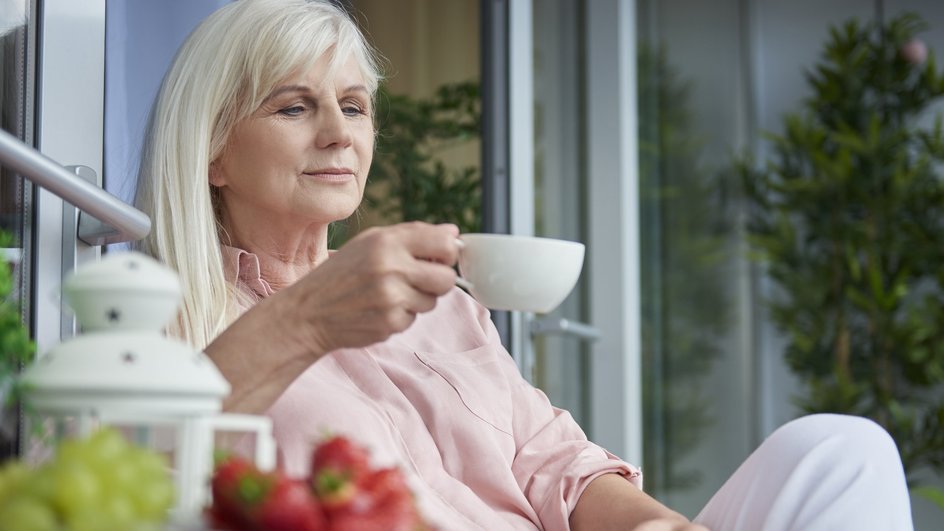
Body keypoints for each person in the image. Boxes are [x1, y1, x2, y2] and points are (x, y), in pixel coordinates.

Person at [133, 0, 914, 529]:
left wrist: (653, 523)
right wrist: (306, 317)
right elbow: (135, 469)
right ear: (212, 151)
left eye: (356, 105)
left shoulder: (435, 302)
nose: (341, 134)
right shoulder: (162, 322)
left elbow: (550, 459)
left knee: (842, 449)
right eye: (294, 106)